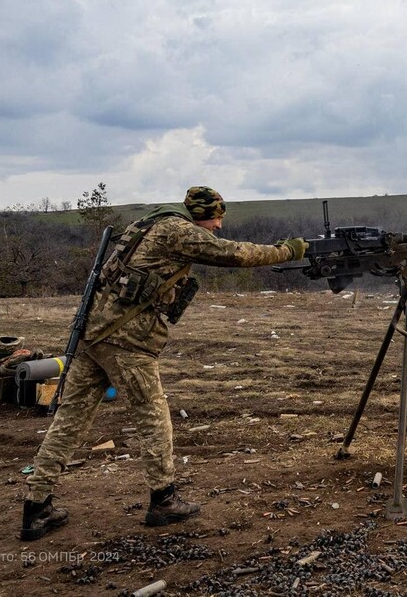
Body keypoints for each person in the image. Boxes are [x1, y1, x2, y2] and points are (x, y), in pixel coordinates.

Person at [21, 186, 308, 540]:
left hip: (95, 333)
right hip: (127, 340)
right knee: (154, 419)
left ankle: (36, 507)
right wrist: (288, 250)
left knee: (70, 420)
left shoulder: (151, 223)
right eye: (218, 218)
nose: (218, 226)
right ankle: (164, 500)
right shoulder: (178, 230)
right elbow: (235, 254)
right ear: (204, 214)